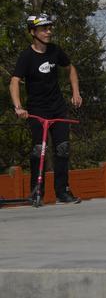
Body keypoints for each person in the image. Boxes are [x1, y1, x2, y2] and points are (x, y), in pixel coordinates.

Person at [9, 14, 82, 205]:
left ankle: (63, 192)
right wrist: (18, 107)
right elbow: (14, 81)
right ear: (33, 32)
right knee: (38, 150)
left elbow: (70, 67)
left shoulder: (55, 51)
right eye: (44, 29)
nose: (48, 32)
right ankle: (36, 192)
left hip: (57, 108)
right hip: (37, 110)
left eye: (49, 28)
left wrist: (76, 92)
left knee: (63, 149)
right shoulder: (26, 56)